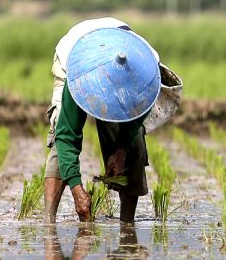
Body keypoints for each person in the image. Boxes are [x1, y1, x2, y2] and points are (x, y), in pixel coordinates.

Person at [44, 18, 169, 223]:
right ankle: (48, 223)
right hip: (76, 54)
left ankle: (127, 224)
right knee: (59, 135)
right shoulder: (79, 76)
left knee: (135, 141)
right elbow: (67, 136)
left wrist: (120, 153)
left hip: (122, 50)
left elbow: (134, 122)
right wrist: (77, 190)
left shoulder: (144, 77)